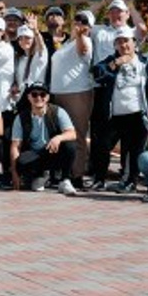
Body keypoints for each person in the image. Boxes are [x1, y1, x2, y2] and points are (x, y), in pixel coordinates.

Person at [91, 26, 148, 193]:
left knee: (133, 151)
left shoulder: (145, 64)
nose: (123, 45)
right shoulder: (111, 60)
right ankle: (99, 179)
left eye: (126, 41)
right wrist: (116, 63)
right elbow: (97, 74)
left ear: (134, 43)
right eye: (119, 42)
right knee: (102, 145)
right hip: (114, 114)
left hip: (137, 114)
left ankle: (130, 181)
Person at [49, 10, 94, 189]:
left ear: (89, 27)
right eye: (77, 19)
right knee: (61, 134)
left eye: (84, 21)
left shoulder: (85, 40)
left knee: (78, 134)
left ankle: (77, 175)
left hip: (77, 93)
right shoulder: (67, 43)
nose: (79, 23)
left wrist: (81, 35)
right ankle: (61, 174)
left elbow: (83, 50)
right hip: (58, 94)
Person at [8, 84, 77, 195]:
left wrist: (58, 138)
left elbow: (72, 133)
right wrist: (15, 173)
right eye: (34, 94)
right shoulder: (21, 117)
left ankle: (65, 180)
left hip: (53, 151)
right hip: (35, 154)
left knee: (70, 145)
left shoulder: (58, 111)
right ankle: (41, 176)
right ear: (28, 97)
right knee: (21, 162)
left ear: (48, 97)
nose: (38, 98)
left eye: (43, 94)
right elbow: (15, 146)